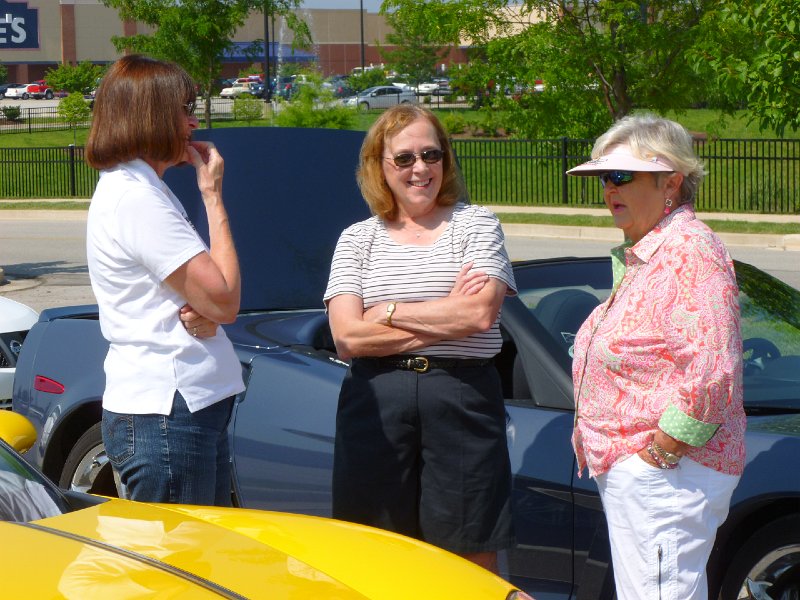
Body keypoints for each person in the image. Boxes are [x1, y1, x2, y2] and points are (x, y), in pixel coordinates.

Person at [324, 104, 516, 573]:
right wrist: (440, 316)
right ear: (379, 166)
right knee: (373, 548)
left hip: (462, 398)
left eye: (431, 154)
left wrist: (387, 312)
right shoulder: (357, 239)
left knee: (468, 553)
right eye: (404, 158)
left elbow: (478, 313)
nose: (420, 169)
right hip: (376, 402)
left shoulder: (477, 224)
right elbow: (347, 336)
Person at [567, 114, 746, 599]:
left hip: (667, 477)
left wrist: (660, 454)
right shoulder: (650, 252)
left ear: (671, 182)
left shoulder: (690, 250)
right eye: (605, 177)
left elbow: (713, 371)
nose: (609, 189)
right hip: (651, 476)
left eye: (622, 176)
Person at [85, 54, 244, 506]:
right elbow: (226, 299)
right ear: (150, 115)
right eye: (183, 110)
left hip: (179, 410)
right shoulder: (136, 198)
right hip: (167, 414)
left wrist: (209, 311)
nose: (193, 123)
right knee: (183, 565)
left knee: (198, 559)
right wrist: (212, 196)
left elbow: (208, 302)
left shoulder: (142, 189)